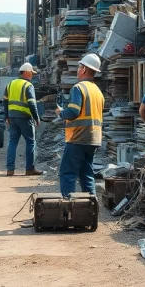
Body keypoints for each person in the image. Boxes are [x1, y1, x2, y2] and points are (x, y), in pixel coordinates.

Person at [55, 53, 104, 198]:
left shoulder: (78, 88)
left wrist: (61, 112)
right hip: (93, 139)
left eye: (78, 67)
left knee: (68, 173)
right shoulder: (97, 91)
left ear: (83, 69)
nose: (77, 70)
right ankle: (91, 207)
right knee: (86, 173)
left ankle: (68, 208)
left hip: (78, 137)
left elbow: (73, 112)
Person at [4, 63, 43, 177]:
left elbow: (5, 102)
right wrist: (36, 118)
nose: (32, 75)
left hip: (12, 118)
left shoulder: (10, 84)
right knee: (31, 142)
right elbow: (32, 103)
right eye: (31, 72)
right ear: (26, 72)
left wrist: (6, 116)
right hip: (25, 118)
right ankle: (29, 169)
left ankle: (10, 170)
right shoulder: (28, 85)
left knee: (12, 143)